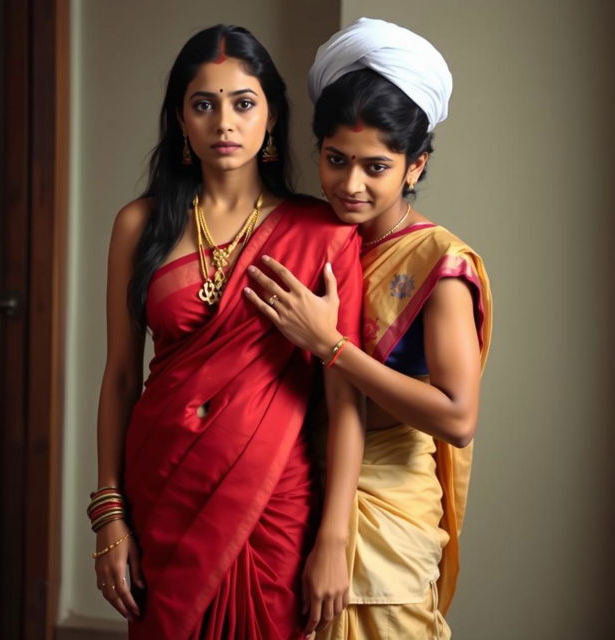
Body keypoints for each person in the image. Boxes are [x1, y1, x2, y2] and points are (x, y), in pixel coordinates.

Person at [90, 24, 365, 639]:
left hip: (273, 499)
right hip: (162, 486)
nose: (224, 122)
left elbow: (345, 395)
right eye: (203, 104)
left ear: (271, 115)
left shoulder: (321, 232)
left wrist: (334, 535)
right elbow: (119, 375)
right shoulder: (138, 225)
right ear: (180, 120)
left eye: (243, 103)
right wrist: (109, 512)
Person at [244, 17, 493, 639]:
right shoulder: (310, 239)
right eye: (335, 160)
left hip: (385, 516)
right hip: (294, 490)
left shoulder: (439, 261)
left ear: (415, 166)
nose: (350, 185)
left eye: (376, 167)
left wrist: (330, 346)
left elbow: (457, 418)